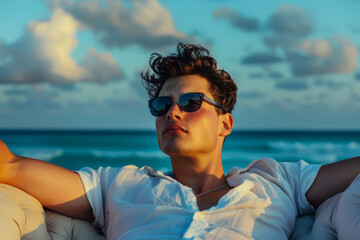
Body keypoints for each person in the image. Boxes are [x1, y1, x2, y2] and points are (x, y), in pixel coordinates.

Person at [0, 43, 359, 239]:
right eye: (161, 105)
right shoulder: (116, 186)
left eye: (190, 103)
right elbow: (10, 166)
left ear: (225, 122)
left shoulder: (277, 181)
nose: (172, 113)